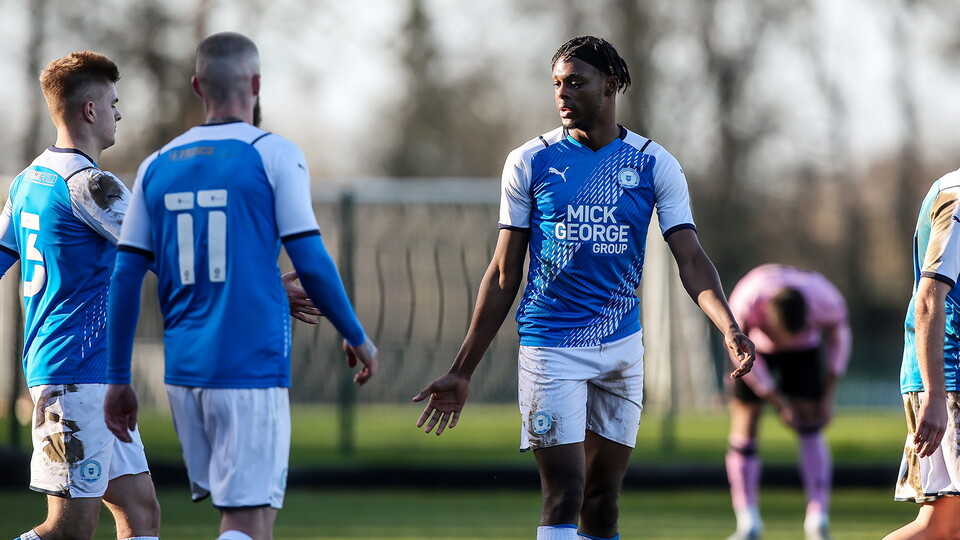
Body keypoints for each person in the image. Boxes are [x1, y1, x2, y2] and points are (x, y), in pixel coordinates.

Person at [413, 35, 755, 540]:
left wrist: (728, 326)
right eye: (557, 84)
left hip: (622, 347)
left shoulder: (653, 163)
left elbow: (691, 258)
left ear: (610, 85)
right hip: (551, 346)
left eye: (576, 82)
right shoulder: (530, 161)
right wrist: (462, 370)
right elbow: (504, 272)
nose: (562, 94)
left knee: (602, 502)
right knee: (564, 494)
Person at [102, 32, 379, 540]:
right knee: (249, 522)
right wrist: (355, 333)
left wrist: (119, 377)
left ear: (197, 87)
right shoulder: (273, 153)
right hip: (248, 366)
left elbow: (125, 276)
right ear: (255, 84)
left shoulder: (155, 165)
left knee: (245, 517)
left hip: (184, 373)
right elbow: (311, 259)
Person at [0, 52, 162, 540]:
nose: (120, 113)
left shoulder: (28, 181)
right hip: (74, 380)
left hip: (88, 376)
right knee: (69, 529)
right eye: (113, 102)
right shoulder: (88, 184)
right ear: (90, 110)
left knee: (140, 511)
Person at [723, 264, 851, 540]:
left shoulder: (826, 300)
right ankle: (748, 521)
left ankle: (817, 518)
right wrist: (778, 402)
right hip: (754, 350)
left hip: (804, 353)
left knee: (810, 419)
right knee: (745, 420)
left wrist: (827, 396)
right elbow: (735, 348)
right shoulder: (746, 299)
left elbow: (839, 338)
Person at [883, 169, 960, 539]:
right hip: (951, 377)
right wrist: (935, 393)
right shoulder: (957, 195)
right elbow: (929, 298)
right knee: (940, 527)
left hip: (944, 378)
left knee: (943, 527)